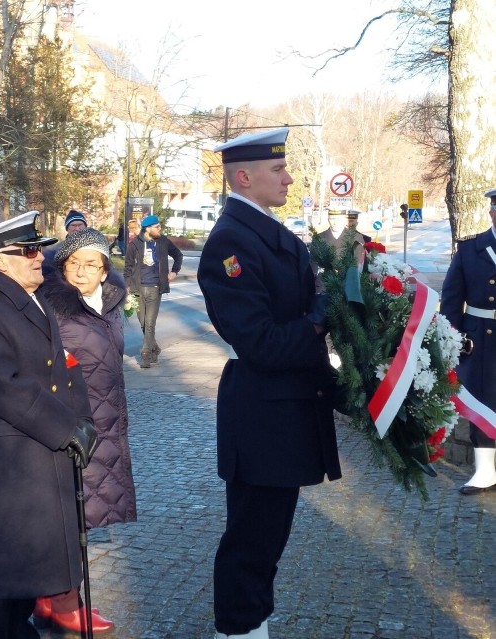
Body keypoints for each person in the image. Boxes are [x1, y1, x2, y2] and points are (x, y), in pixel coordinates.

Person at [197, 128, 341, 639]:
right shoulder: (231, 243)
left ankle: (252, 625)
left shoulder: (264, 231)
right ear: (244, 176)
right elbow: (261, 342)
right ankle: (238, 630)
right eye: (278, 170)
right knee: (251, 543)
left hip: (286, 411)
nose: (288, 176)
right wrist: (319, 320)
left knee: (266, 541)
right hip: (263, 417)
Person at [0, 210, 99, 639]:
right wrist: (67, 429)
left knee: (24, 578)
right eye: (29, 251)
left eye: (40, 249)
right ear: (0, 261)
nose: (41, 258)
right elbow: (7, 386)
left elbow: (62, 368)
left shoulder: (27, 298)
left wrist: (83, 419)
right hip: (7, 462)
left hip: (36, 454)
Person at [38, 228, 137, 634]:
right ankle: (61, 602)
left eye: (91, 264)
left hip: (106, 420)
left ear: (104, 270)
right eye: (73, 263)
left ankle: (55, 599)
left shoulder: (110, 303)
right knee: (66, 514)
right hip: (73, 419)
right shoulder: (55, 305)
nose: (81, 272)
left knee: (80, 513)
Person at [440, 186, 496, 495]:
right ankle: (485, 471)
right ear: (492, 212)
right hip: (480, 339)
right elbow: (451, 299)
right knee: (483, 401)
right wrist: (455, 336)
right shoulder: (471, 250)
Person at [123, 214, 183, 368]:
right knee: (143, 323)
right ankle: (155, 348)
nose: (160, 229)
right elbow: (128, 268)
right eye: (157, 227)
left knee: (150, 323)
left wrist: (174, 271)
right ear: (147, 229)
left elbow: (178, 255)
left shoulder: (163, 242)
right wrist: (127, 286)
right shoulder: (135, 244)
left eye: (159, 226)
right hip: (137, 290)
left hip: (155, 288)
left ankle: (145, 353)